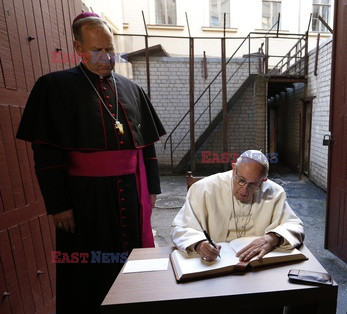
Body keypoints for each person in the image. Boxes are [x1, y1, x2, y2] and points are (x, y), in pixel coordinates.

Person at [16, 12, 166, 313]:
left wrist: (150, 191)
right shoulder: (54, 86)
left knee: (132, 263)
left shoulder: (132, 89)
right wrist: (58, 205)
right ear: (78, 48)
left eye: (110, 49)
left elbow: (146, 146)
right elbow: (46, 153)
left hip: (131, 191)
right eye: (97, 50)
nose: (106, 57)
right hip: (85, 198)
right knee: (88, 270)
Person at [172, 150, 304, 263]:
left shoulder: (275, 192)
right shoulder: (204, 189)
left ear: (263, 181)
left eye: (253, 185)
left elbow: (295, 226)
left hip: (258, 264)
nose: (245, 191)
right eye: (241, 180)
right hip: (216, 263)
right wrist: (199, 244)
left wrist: (273, 237)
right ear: (234, 169)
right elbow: (181, 228)